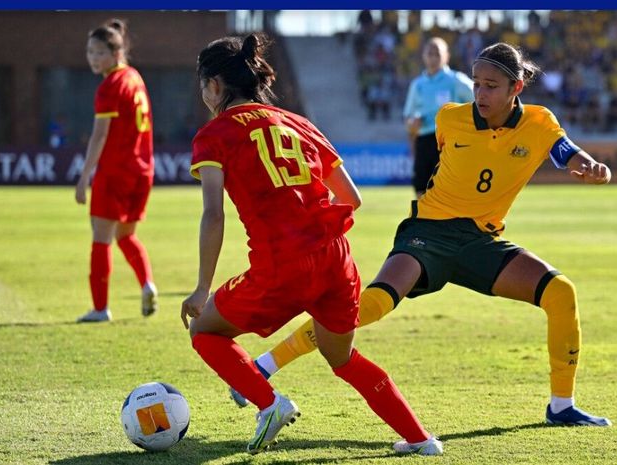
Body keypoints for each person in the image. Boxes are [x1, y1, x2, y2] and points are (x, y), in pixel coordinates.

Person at [232, 42, 613, 428]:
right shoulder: (450, 119)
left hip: (482, 241)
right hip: (427, 234)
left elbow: (564, 151)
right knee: (371, 305)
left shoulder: (540, 122)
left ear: (516, 88)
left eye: (491, 86)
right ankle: (265, 365)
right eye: (477, 83)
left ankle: (561, 406)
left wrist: (591, 166)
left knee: (560, 292)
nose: (480, 93)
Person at [180, 33, 442, 456]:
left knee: (204, 331)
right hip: (336, 260)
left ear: (214, 85)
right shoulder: (299, 122)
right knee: (344, 359)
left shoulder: (214, 134)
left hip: (281, 263)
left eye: (202, 86)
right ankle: (420, 439)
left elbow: (214, 214)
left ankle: (269, 404)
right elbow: (352, 198)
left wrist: (200, 287)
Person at [75, 19, 157, 322]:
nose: (92, 58)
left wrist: (85, 176)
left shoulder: (109, 87)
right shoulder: (134, 77)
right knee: (125, 235)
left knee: (101, 237)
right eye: (89, 52)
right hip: (142, 170)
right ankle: (147, 283)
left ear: (115, 52)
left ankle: (100, 309)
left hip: (115, 171)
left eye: (98, 52)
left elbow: (100, 135)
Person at [403, 37, 474, 197]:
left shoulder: (456, 80)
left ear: (446, 56)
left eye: (437, 53)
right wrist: (411, 124)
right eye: (430, 53)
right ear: (424, 56)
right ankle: (424, 221)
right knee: (421, 188)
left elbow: (479, 102)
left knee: (446, 189)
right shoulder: (417, 85)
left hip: (449, 142)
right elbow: (408, 117)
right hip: (424, 140)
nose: (433, 57)